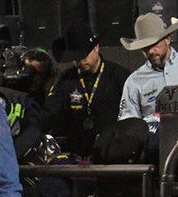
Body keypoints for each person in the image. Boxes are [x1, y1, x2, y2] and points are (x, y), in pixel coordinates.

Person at [46, 21, 129, 159]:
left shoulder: (119, 76)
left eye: (84, 55)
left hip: (110, 155)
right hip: (76, 155)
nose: (80, 61)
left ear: (96, 47)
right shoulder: (66, 79)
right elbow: (51, 111)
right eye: (75, 57)